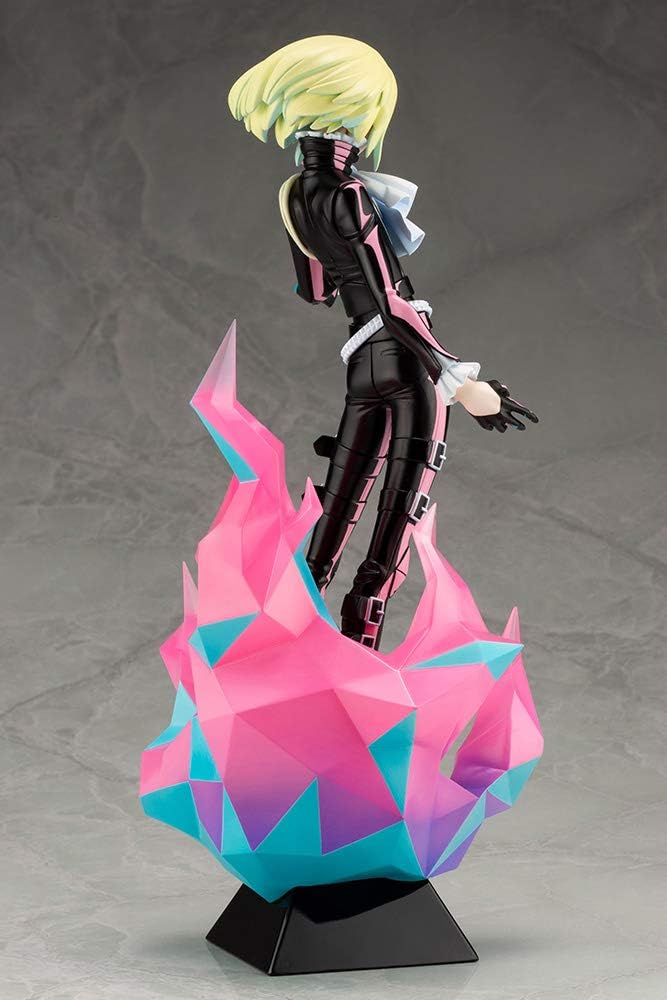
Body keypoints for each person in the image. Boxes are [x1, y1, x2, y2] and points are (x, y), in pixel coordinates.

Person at [228, 35, 538, 649]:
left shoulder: (295, 194)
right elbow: (393, 302)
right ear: (353, 109)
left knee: (331, 521)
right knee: (393, 529)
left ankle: (282, 656)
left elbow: (316, 290)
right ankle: (356, 670)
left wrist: (341, 255)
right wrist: (462, 381)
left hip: (362, 363)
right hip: (406, 361)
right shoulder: (350, 194)